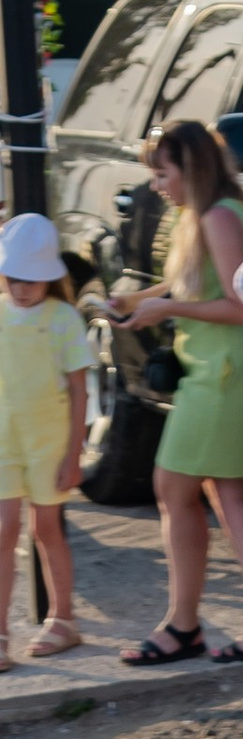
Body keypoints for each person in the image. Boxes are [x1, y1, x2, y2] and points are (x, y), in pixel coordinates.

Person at [112, 117, 243, 666]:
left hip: (226, 372)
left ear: (189, 167)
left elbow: (242, 305)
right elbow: (201, 281)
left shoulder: (217, 215)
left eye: (162, 172)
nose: (156, 184)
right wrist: (138, 299)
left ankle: (185, 624)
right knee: (227, 494)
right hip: (218, 368)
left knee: (174, 487)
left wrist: (165, 309)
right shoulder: (207, 213)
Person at [0, 211, 89, 664]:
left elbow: (79, 389)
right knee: (3, 530)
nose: (21, 288)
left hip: (49, 442)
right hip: (4, 441)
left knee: (45, 528)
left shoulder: (63, 318)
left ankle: (63, 618)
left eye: (31, 279)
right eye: (14, 277)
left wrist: (75, 453)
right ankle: (0, 634)